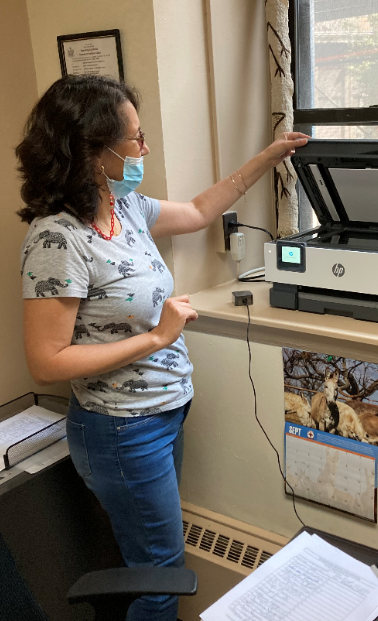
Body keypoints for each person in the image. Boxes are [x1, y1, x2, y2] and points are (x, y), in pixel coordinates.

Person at [17, 75, 309, 621]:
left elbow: (200, 211)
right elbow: (46, 360)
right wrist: (157, 337)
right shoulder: (57, 238)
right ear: (92, 150)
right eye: (134, 139)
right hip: (120, 428)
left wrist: (268, 158)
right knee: (162, 574)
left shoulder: (123, 206)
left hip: (164, 412)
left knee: (152, 563)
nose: (144, 149)